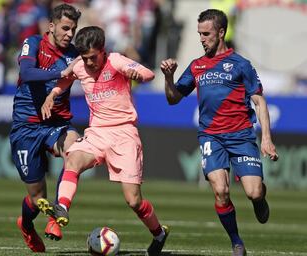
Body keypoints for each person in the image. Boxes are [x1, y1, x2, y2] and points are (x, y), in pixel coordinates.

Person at [38, 26, 169, 256]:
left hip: (124, 134)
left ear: (103, 51)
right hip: (97, 132)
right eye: (85, 59)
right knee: (73, 159)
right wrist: (53, 94)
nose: (89, 64)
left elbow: (148, 73)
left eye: (93, 58)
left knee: (134, 201)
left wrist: (138, 74)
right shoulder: (80, 65)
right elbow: (67, 80)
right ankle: (62, 208)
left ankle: (159, 234)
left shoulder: (116, 61)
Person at [160, 9, 278, 256]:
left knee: (253, 191)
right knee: (220, 190)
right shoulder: (196, 65)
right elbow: (173, 99)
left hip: (242, 136)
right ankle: (236, 242)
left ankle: (259, 200)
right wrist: (169, 78)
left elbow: (260, 102)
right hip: (211, 136)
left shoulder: (241, 65)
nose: (202, 39)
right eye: (199, 34)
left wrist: (266, 138)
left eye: (206, 34)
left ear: (221, 32)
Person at [9, 3, 81, 253]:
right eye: (65, 28)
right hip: (26, 127)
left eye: (73, 29)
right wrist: (62, 71)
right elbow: (27, 73)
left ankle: (58, 214)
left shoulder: (75, 54)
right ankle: (27, 225)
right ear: (51, 26)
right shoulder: (34, 43)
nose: (70, 34)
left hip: (56, 123)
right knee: (37, 197)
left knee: (75, 148)